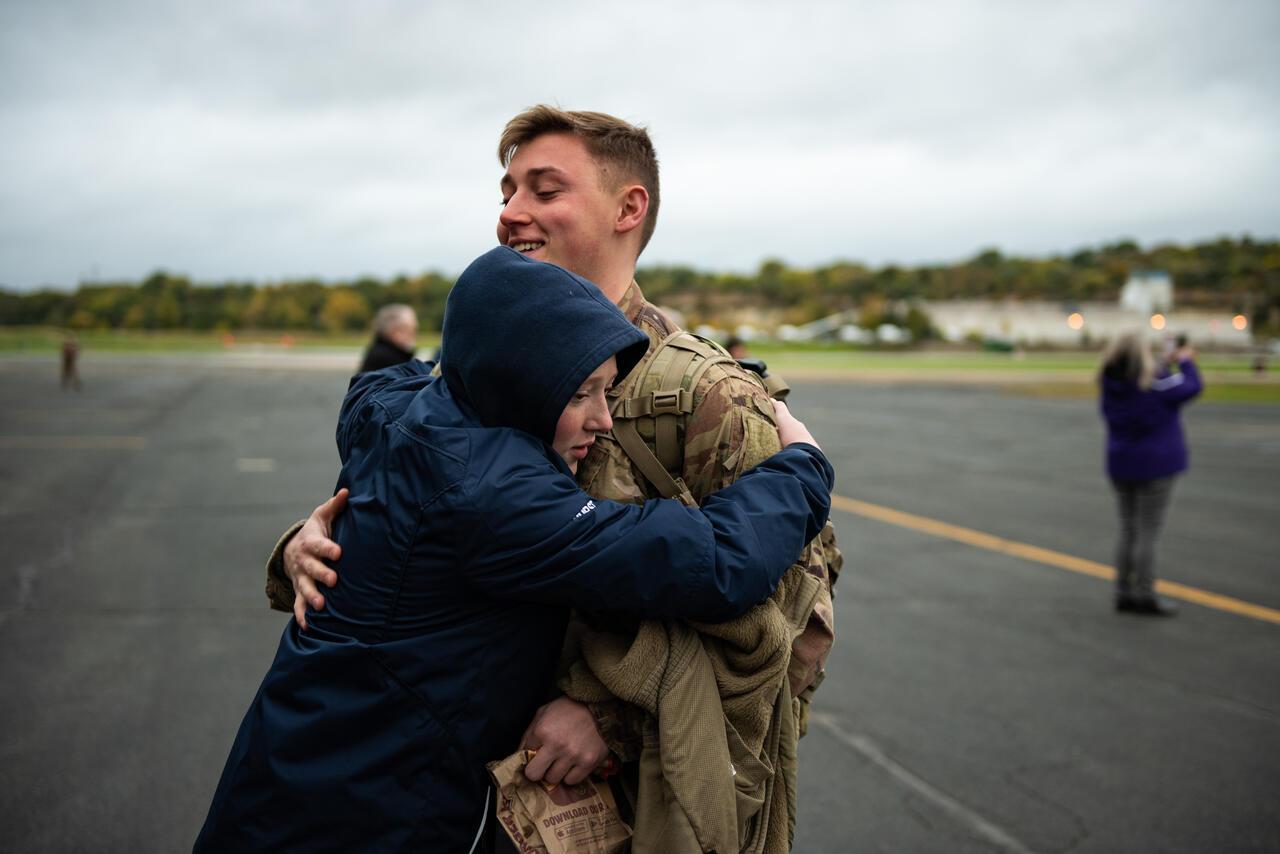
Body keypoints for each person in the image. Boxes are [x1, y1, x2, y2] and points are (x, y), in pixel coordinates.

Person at [265, 106, 841, 849]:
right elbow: (418, 514)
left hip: (612, 811)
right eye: (506, 192)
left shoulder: (703, 395)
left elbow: (797, 621)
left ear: (628, 209)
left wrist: (612, 716)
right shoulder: (476, 362)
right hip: (438, 789)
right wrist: (310, 545)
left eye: (544, 190)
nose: (510, 213)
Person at [1099, 332, 1202, 616]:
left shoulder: (1110, 382)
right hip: (1156, 465)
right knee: (1148, 532)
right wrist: (1185, 361)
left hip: (1122, 462)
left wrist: (1164, 363)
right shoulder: (1155, 384)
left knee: (1128, 529)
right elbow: (1190, 387)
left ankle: (1123, 591)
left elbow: (1151, 383)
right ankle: (1144, 593)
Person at [357, 303, 419, 374]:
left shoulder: (387, 352)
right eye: (410, 330)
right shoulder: (386, 359)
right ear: (393, 331)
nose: (413, 335)